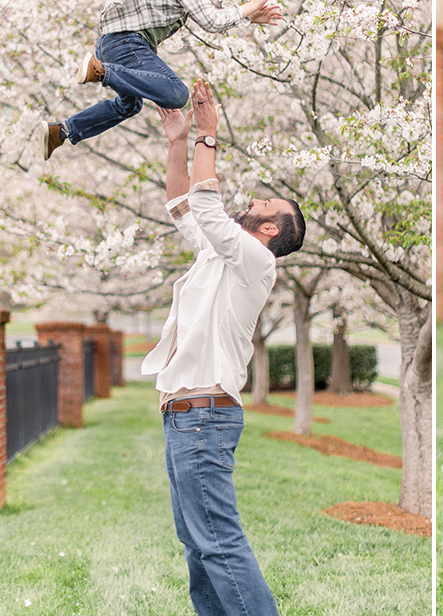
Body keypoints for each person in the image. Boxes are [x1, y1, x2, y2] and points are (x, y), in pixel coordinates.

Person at [141, 79, 305, 616]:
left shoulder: (258, 263)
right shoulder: (219, 258)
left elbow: (209, 210)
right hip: (183, 416)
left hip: (204, 416)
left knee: (218, 542)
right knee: (197, 546)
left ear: (269, 229)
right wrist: (177, 140)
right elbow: (183, 208)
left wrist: (208, 138)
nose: (250, 200)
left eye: (261, 203)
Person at [41, 0, 282, 160]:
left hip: (113, 44)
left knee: (129, 106)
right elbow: (211, 21)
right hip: (126, 43)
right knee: (176, 94)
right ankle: (100, 71)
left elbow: (210, 18)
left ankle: (61, 132)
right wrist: (252, 4)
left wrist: (250, 17)